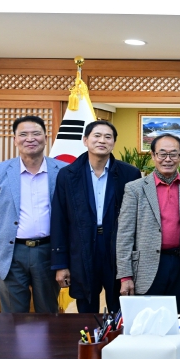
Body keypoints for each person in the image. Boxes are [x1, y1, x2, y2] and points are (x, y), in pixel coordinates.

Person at [51, 120, 141, 314]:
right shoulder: (68, 175)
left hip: (117, 247)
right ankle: (89, 335)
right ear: (85, 140)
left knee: (120, 304)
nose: (102, 140)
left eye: (108, 137)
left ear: (113, 143)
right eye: (97, 136)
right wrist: (61, 264)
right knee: (86, 305)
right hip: (82, 247)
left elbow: (137, 220)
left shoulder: (129, 174)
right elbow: (59, 220)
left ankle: (118, 334)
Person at [0, 115, 67, 313]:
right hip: (11, 252)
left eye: (36, 133)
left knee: (48, 311)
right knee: (12, 315)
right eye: (23, 134)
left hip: (48, 251)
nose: (30, 139)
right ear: (15, 139)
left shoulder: (62, 171)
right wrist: (3, 234)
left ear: (46, 138)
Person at [116, 133, 180, 313]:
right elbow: (124, 234)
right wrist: (125, 276)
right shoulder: (135, 188)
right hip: (146, 265)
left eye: (173, 154)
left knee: (176, 317)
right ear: (153, 156)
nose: (167, 159)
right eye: (162, 154)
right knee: (147, 320)